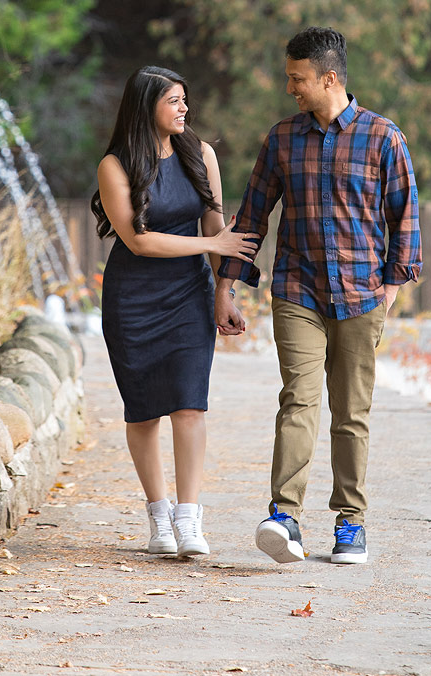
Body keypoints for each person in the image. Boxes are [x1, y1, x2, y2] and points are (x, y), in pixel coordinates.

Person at [216, 27, 422, 565]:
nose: (290, 88)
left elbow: (405, 216)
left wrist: (391, 287)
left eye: (297, 79)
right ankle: (284, 517)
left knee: (351, 413)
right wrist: (226, 285)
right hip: (298, 292)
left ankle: (350, 522)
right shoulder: (281, 139)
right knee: (298, 400)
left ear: (329, 78)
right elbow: (252, 216)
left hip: (361, 296)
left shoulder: (383, 137)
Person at [92, 66, 256, 558]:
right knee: (143, 411)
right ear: (147, 107)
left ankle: (189, 517)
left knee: (189, 403)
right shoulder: (115, 166)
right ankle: (159, 515)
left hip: (189, 293)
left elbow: (216, 227)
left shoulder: (201, 154)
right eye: (174, 101)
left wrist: (224, 292)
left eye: (185, 100)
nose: (184, 109)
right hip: (133, 298)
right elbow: (138, 241)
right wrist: (212, 244)